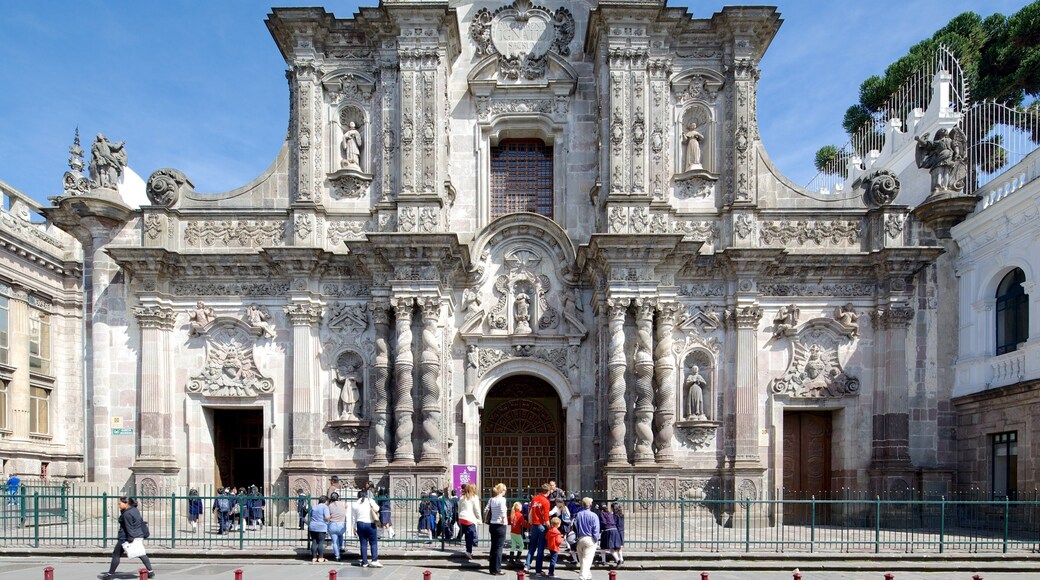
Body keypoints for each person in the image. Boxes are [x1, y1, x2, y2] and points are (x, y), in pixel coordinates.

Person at [98, 496, 153, 579]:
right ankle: (150, 571)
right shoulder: (134, 510)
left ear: (126, 503)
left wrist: (130, 539)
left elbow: (129, 527)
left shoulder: (127, 514)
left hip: (126, 537)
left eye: (120, 503)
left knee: (116, 555)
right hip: (138, 535)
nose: (118, 505)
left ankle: (110, 574)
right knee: (141, 553)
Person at [352, 489, 383, 568]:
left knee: (363, 543)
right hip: (370, 524)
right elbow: (377, 509)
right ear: (366, 495)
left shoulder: (355, 503)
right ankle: (374, 560)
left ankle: (364, 562)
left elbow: (354, 517)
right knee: (373, 542)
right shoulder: (370, 501)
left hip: (360, 524)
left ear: (358, 496)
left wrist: (354, 527)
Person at [524, 484, 551, 574]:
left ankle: (527, 566)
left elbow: (530, 511)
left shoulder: (534, 499)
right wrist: (549, 527)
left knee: (532, 547)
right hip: (542, 526)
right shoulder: (546, 501)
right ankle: (538, 570)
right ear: (548, 491)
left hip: (534, 525)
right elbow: (546, 517)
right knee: (540, 549)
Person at [572, 498, 600, 580]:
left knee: (582, 560)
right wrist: (596, 539)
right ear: (590, 505)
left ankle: (588, 575)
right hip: (590, 538)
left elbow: (575, 526)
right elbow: (596, 530)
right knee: (587, 560)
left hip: (580, 538)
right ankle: (583, 577)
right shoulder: (594, 515)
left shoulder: (578, 514)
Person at [484, 483, 509, 575]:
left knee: (493, 547)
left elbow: (485, 510)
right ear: (502, 490)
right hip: (500, 525)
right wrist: (503, 519)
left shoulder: (491, 499)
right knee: (499, 548)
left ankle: (492, 568)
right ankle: (497, 569)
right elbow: (503, 511)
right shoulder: (502, 500)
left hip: (492, 524)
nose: (505, 492)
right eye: (505, 490)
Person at [457, 482, 482, 560]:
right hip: (469, 518)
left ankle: (468, 550)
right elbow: (477, 509)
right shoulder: (474, 497)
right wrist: (479, 519)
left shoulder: (462, 497)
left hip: (462, 518)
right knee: (470, 536)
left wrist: (459, 517)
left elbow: (459, 509)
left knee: (467, 534)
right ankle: (468, 551)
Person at [308, 495, 331, 562]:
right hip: (321, 526)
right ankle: (321, 557)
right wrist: (330, 517)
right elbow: (327, 517)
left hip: (313, 526)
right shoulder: (325, 507)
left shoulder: (314, 507)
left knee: (314, 541)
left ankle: (314, 557)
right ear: (325, 501)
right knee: (320, 542)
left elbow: (311, 515)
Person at [327, 492, 349, 562]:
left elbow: (328, 515)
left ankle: (337, 556)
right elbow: (346, 506)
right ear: (338, 497)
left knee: (334, 542)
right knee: (340, 534)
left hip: (333, 525)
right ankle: (342, 546)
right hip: (341, 525)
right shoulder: (343, 503)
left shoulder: (329, 505)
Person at [507, 501, 528, 568]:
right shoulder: (520, 515)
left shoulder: (512, 514)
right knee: (521, 545)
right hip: (517, 533)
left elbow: (508, 521)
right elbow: (524, 524)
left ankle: (511, 559)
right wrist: (530, 526)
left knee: (513, 545)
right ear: (519, 508)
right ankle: (517, 559)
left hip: (512, 532)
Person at [611, 501, 625, 565]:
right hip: (621, 531)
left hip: (616, 531)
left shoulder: (614, 515)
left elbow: (614, 523)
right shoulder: (621, 515)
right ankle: (621, 558)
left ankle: (618, 559)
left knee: (612, 547)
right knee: (619, 547)